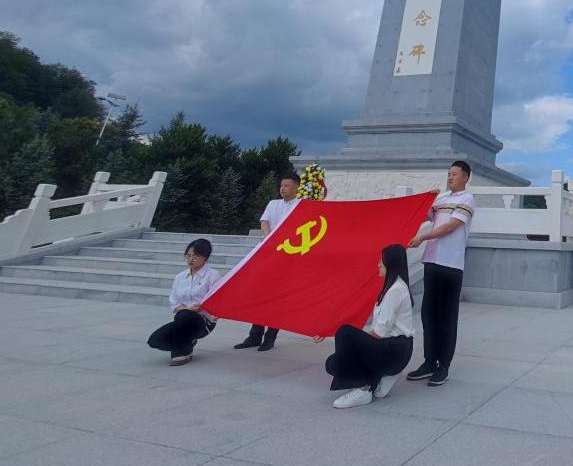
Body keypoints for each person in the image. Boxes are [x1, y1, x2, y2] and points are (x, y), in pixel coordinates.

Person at [316, 244, 415, 408]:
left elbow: (380, 333)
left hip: (395, 350)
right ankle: (374, 379)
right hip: (387, 346)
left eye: (381, 261)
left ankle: (363, 389)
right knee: (333, 363)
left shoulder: (396, 290)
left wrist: (353, 340)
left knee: (345, 333)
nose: (378, 264)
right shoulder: (391, 288)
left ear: (390, 263)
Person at [406, 160, 475, 387]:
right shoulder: (441, 198)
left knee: (446, 317)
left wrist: (423, 237)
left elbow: (450, 227)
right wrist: (425, 199)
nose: (450, 177)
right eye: (448, 174)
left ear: (465, 177)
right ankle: (429, 362)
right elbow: (422, 215)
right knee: (428, 315)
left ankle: (443, 366)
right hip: (432, 261)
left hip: (451, 265)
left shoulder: (467, 199)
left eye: (454, 174)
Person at [235, 173, 301, 352]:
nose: (283, 188)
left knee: (277, 298)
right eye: (281, 185)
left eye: (287, 186)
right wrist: (268, 237)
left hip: (287, 257)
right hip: (268, 253)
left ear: (296, 187)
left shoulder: (301, 205)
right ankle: (254, 335)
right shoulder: (273, 204)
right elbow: (265, 221)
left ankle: (270, 337)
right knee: (260, 294)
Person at [148, 238, 220, 365]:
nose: (191, 259)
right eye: (188, 255)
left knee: (184, 316)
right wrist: (187, 309)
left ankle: (180, 354)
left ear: (205, 257)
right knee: (155, 340)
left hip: (203, 321)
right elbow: (174, 302)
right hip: (182, 318)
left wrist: (202, 310)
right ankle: (188, 342)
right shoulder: (180, 277)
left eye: (196, 256)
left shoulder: (212, 275)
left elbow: (216, 301)